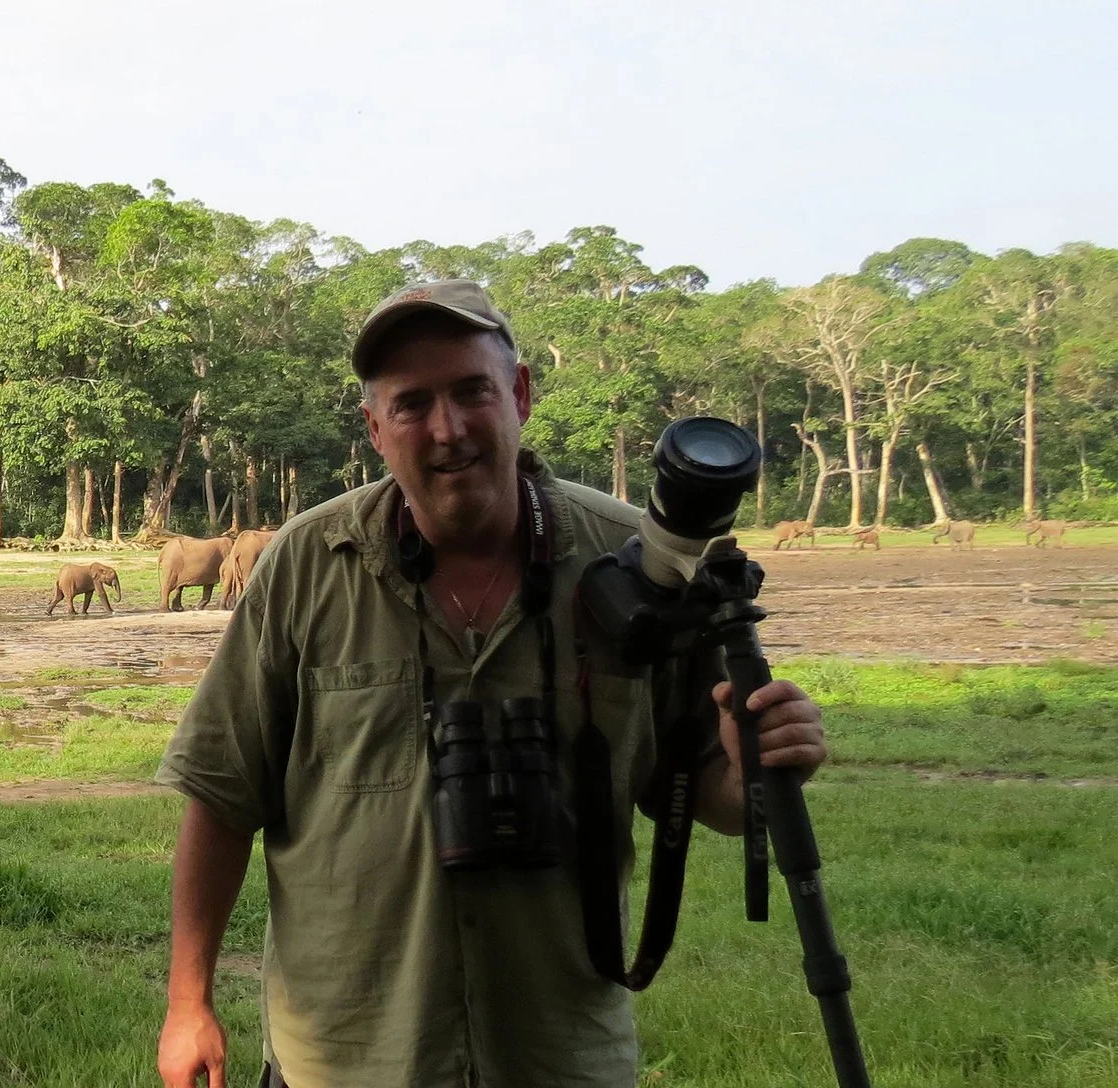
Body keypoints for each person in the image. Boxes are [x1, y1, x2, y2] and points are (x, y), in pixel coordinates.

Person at [154, 280, 829, 1087]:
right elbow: (223, 794)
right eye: (410, 404)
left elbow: (706, 792)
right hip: (348, 1056)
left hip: (554, 1052)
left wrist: (754, 762)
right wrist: (188, 1002)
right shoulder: (306, 563)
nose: (447, 429)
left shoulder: (643, 565)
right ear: (376, 429)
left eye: (472, 391)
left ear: (519, 394)